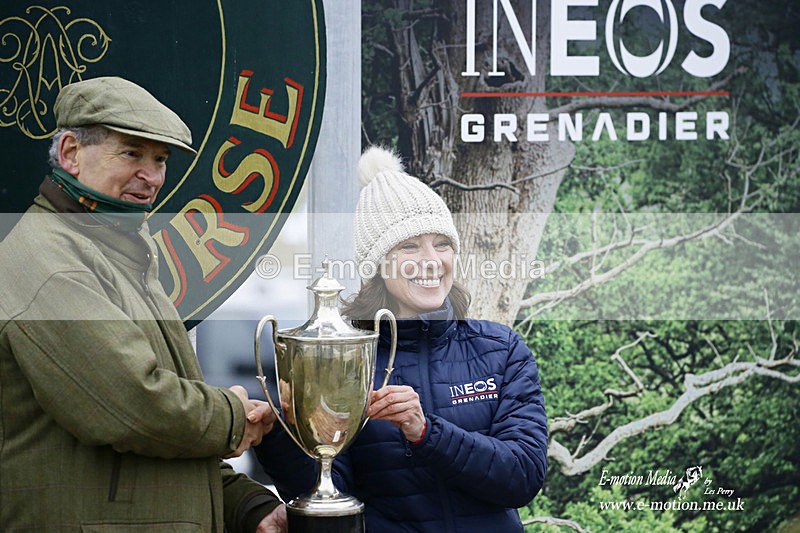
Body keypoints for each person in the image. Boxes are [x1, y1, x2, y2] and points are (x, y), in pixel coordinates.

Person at [0, 76, 286, 532]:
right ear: (71, 152)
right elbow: (132, 407)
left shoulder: (118, 249)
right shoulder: (51, 262)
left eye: (160, 160)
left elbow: (154, 442)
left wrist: (246, 504)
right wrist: (232, 416)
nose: (151, 177)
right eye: (132, 153)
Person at [254, 146, 548, 531]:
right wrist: (281, 433)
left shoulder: (500, 349)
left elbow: (523, 477)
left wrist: (426, 432)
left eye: (441, 244)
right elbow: (333, 494)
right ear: (378, 264)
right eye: (409, 246)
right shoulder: (346, 360)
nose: (431, 259)